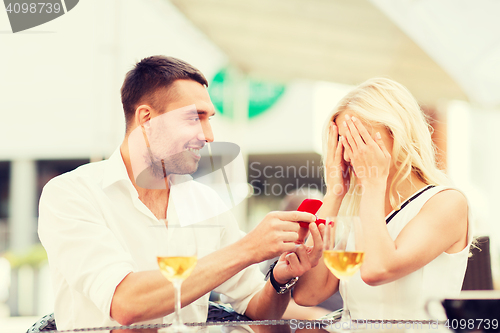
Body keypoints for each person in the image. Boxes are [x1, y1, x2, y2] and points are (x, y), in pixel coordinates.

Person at [38, 56, 322, 329]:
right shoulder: (71, 195)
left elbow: (257, 309)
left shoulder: (206, 203)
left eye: (209, 118)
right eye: (194, 118)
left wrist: (280, 278)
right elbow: (125, 303)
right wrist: (249, 248)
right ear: (146, 120)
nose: (209, 135)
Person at [292, 78, 472, 320]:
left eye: (360, 139)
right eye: (343, 141)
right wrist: (334, 193)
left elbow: (377, 270)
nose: (350, 153)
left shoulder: (447, 203)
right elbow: (307, 294)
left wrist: (373, 183)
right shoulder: (360, 211)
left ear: (397, 134)